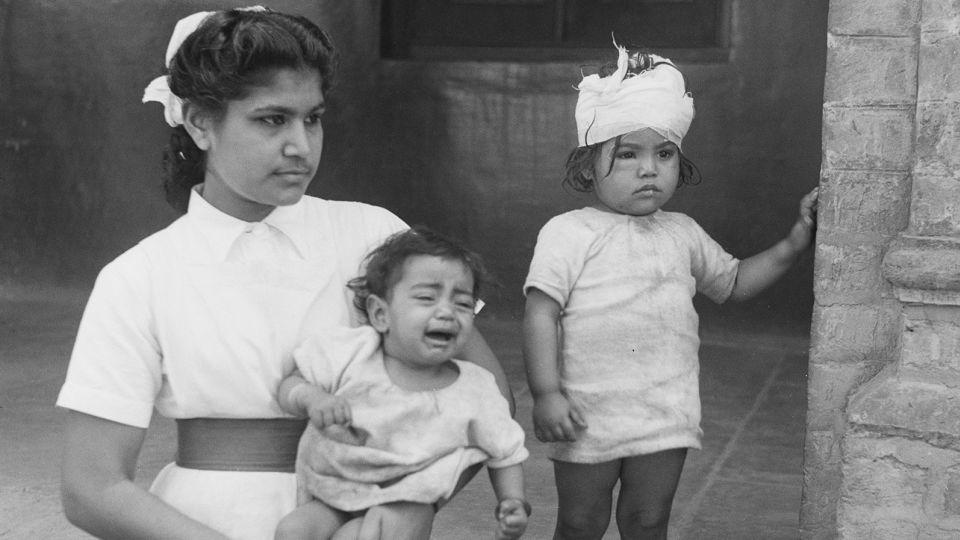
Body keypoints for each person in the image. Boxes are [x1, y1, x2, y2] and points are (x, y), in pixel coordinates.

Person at [56, 7, 512, 540]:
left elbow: (486, 393)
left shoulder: (371, 236)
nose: (300, 145)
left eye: (312, 118)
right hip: (204, 523)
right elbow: (91, 487)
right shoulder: (140, 276)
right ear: (201, 122)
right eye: (272, 119)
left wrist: (416, 502)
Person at [522, 44, 818, 540]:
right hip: (587, 413)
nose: (648, 169)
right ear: (586, 168)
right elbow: (539, 314)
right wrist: (547, 393)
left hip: (666, 411)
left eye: (664, 154)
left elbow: (735, 281)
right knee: (580, 521)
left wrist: (793, 242)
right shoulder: (568, 233)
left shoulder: (682, 232)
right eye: (628, 154)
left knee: (648, 520)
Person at [273, 227, 530, 540]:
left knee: (357, 536)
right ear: (381, 314)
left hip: (404, 503)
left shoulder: (476, 390)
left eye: (462, 303)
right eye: (426, 298)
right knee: (293, 529)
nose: (447, 311)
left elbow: (505, 450)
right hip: (334, 490)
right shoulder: (353, 353)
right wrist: (312, 399)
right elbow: (290, 385)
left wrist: (512, 501)